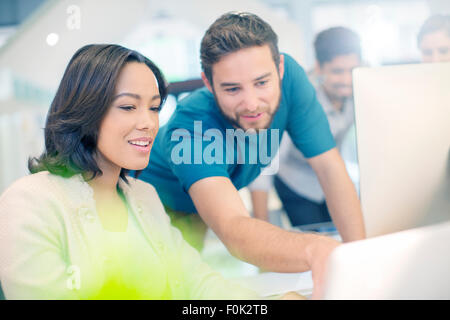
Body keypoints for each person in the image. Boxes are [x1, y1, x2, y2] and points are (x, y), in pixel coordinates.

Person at [0, 44, 263, 300]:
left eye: (154, 107)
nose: (149, 123)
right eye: (128, 107)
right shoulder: (30, 202)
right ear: (85, 112)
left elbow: (197, 282)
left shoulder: (144, 196)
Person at [138, 12, 366, 298]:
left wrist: (360, 260)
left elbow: (330, 168)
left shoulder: (291, 80)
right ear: (208, 83)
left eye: (262, 83)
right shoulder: (191, 126)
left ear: (279, 68)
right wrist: (314, 249)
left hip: (206, 202)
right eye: (232, 89)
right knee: (169, 288)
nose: (252, 103)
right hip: (158, 208)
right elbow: (232, 227)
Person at [249, 27, 362, 228]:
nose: (346, 81)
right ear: (319, 68)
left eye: (351, 70)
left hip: (328, 176)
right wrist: (261, 227)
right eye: (337, 72)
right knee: (313, 239)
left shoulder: (361, 87)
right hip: (294, 181)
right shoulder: (298, 98)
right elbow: (265, 165)